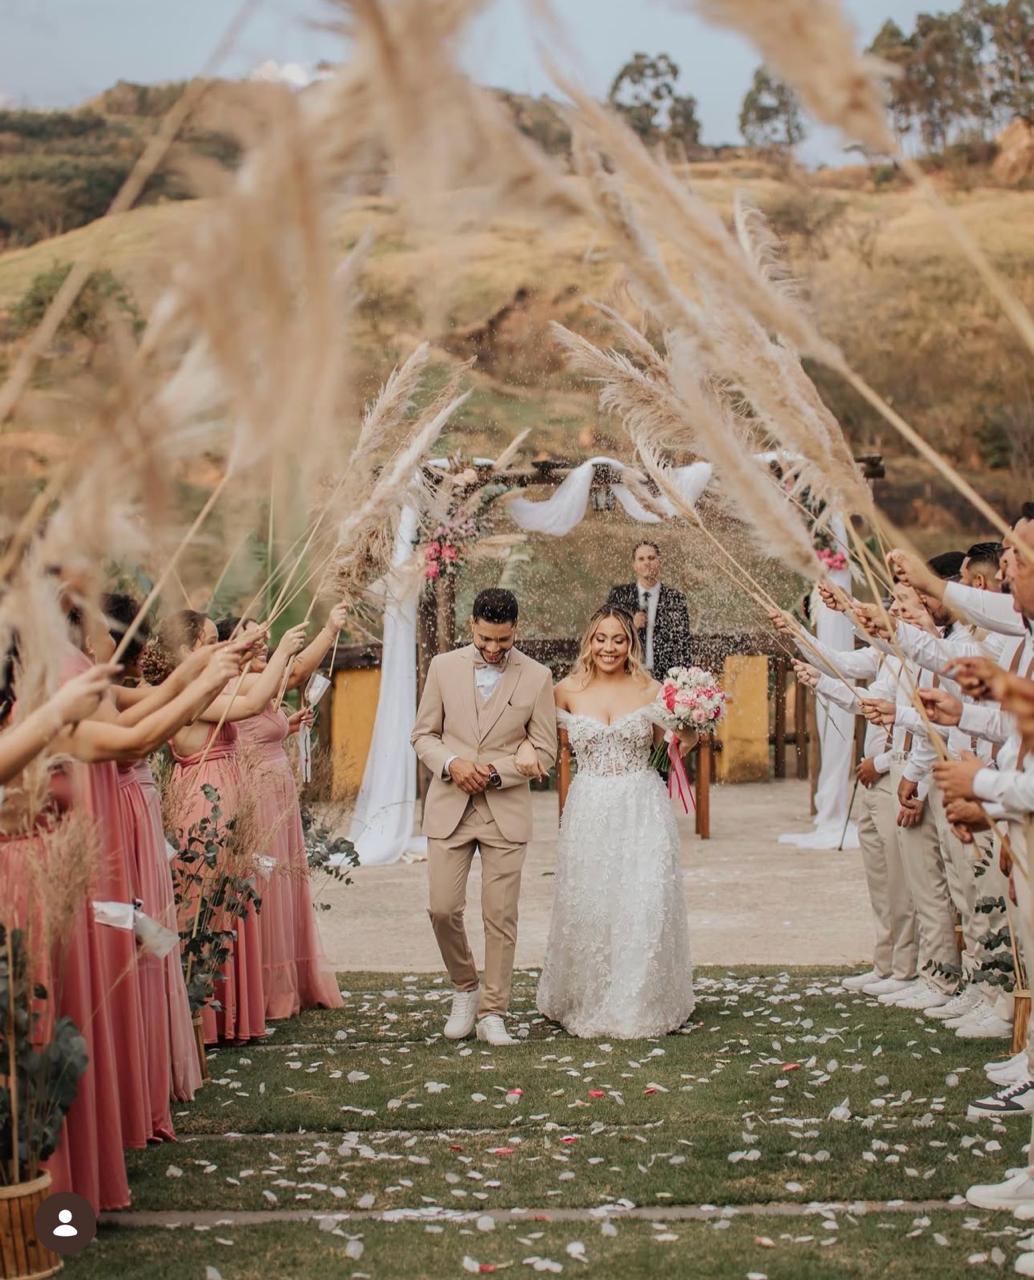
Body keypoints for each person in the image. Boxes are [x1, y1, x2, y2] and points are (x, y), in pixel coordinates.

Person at [536, 605, 696, 1039]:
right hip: (589, 809)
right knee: (591, 904)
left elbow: (669, 752)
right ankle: (585, 995)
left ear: (631, 644)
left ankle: (641, 1000)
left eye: (618, 639)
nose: (609, 648)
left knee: (644, 901)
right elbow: (539, 742)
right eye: (601, 638)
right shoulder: (563, 690)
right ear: (589, 641)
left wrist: (692, 731)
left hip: (642, 805)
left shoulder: (652, 690)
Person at [411, 588, 557, 1047]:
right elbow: (423, 735)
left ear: (516, 629)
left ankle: (494, 1010)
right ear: (471, 625)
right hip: (450, 807)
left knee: (500, 917)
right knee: (442, 908)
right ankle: (464, 987)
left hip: (505, 813)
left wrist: (494, 772)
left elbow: (547, 752)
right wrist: (453, 764)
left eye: (503, 641)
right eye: (484, 640)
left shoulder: (537, 676)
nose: (493, 649)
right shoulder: (443, 667)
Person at [215, 613, 345, 1020]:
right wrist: (328, 630)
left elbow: (257, 724)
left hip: (279, 792)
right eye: (253, 637)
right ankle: (267, 988)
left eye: (263, 637)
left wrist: (286, 726)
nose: (261, 644)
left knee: (285, 885)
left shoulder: (257, 680)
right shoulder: (235, 681)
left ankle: (289, 978)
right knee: (266, 888)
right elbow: (294, 674)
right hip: (255, 794)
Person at [607, 542, 692, 677]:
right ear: (634, 565)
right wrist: (631, 626)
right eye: (641, 559)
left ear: (659, 562)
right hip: (627, 674)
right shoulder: (619, 595)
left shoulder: (675, 599)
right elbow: (608, 633)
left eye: (651, 558)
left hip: (664, 678)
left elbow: (683, 644)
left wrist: (681, 680)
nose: (647, 563)